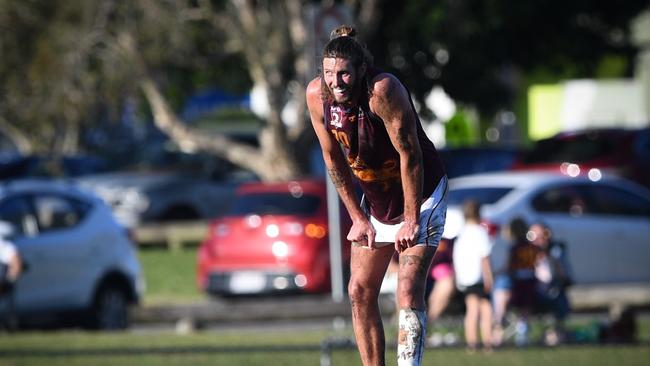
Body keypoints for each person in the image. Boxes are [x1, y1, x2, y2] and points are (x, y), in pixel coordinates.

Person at [306, 25, 447, 366]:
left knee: (408, 287)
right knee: (358, 290)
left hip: (421, 194)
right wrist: (357, 217)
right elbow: (332, 158)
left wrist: (412, 219)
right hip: (377, 203)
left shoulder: (382, 91)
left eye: (343, 74)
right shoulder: (317, 96)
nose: (335, 82)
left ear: (360, 70)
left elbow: (409, 155)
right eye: (328, 74)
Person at [452, 200, 493, 352]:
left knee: (471, 308)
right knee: (486, 309)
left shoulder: (462, 233)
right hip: (477, 276)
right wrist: (489, 277)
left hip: (465, 277)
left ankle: (472, 343)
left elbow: (456, 257)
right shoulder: (480, 232)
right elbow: (485, 258)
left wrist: (458, 277)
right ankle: (488, 343)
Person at [528, 222, 572, 344]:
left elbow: (564, 277)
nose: (538, 239)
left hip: (551, 291)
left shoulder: (555, 252)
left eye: (543, 235)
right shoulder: (525, 253)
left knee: (557, 296)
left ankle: (555, 334)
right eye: (532, 236)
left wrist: (550, 259)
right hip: (529, 293)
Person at [506, 217, 539, 346]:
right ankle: (523, 330)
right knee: (526, 308)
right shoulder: (532, 247)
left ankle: (522, 333)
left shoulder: (515, 248)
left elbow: (510, 266)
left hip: (519, 281)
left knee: (520, 309)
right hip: (530, 280)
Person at [425, 236, 456, 347]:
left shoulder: (446, 242)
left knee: (446, 285)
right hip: (415, 273)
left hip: (436, 275)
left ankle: (426, 324)